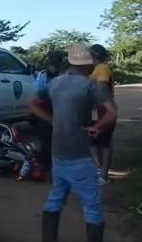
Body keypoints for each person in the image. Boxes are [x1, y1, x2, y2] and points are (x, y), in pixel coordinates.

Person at [29, 44, 117, 242]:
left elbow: (32, 103)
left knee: (56, 198)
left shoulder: (54, 83)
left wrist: (50, 119)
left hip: (58, 153)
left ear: (69, 63)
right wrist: (98, 127)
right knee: (92, 206)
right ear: (87, 65)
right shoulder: (91, 86)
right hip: (80, 155)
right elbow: (111, 112)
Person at [30, 51, 64, 174]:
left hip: (59, 110)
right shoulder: (42, 75)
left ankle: (55, 166)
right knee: (45, 139)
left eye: (56, 62)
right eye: (51, 62)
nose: (53, 65)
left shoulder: (64, 76)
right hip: (45, 111)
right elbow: (37, 94)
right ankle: (46, 166)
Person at [90, 44, 116, 185]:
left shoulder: (103, 68)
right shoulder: (95, 69)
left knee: (104, 141)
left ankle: (103, 174)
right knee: (93, 139)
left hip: (102, 109)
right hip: (95, 109)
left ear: (94, 54)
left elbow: (101, 88)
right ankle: (100, 169)